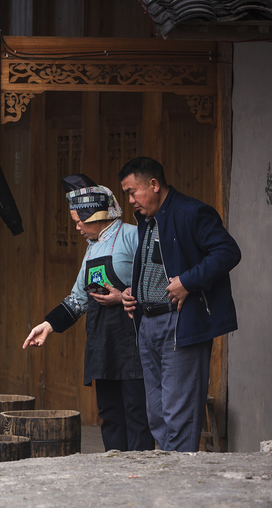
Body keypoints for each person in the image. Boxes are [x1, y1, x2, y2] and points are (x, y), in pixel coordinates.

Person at [23, 174, 154, 452]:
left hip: (132, 341)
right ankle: (113, 471)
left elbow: (157, 281)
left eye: (80, 221)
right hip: (102, 342)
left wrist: (124, 297)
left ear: (99, 215)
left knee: (136, 414)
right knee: (109, 414)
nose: (78, 227)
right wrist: (48, 325)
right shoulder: (92, 250)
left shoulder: (134, 236)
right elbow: (77, 300)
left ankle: (141, 475)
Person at [118, 157, 240, 452]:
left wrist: (188, 281)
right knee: (157, 415)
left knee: (179, 415)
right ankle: (167, 484)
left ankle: (179, 488)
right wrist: (133, 291)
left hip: (180, 322)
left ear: (155, 185)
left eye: (133, 192)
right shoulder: (147, 219)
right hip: (147, 323)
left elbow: (228, 251)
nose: (130, 200)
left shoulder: (192, 212)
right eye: (127, 194)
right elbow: (157, 266)